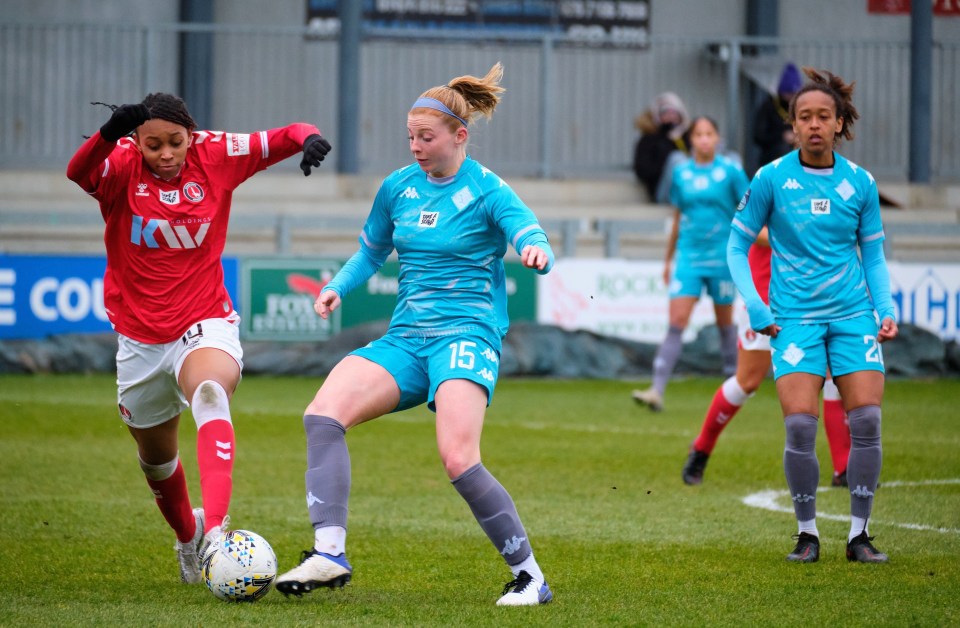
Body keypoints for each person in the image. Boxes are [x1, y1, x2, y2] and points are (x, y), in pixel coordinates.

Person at [273, 63, 555, 606]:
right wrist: (338, 285)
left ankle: (530, 578)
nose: (416, 147)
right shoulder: (397, 188)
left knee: (457, 457)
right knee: (322, 414)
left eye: (426, 137)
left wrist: (534, 250)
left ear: (459, 135)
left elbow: (528, 229)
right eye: (411, 137)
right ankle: (329, 553)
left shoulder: (488, 190)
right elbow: (373, 250)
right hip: (406, 338)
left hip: (466, 335)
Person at [65, 93, 331, 584]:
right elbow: (78, 173)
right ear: (136, 142)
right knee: (156, 460)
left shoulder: (217, 153)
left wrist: (308, 139)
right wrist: (107, 135)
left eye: (175, 142)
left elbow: (286, 132)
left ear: (192, 134)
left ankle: (218, 536)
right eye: (153, 145)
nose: (166, 154)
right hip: (140, 338)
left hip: (204, 319)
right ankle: (189, 536)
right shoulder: (120, 162)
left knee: (210, 392)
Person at [727, 67, 898, 564]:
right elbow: (737, 246)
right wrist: (757, 305)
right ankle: (807, 534)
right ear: (794, 125)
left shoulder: (860, 184)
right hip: (795, 320)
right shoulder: (772, 178)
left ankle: (859, 535)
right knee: (800, 427)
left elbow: (874, 257)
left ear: (840, 122)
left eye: (825, 115)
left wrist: (884, 309)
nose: (815, 124)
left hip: (852, 317)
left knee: (865, 419)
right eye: (805, 117)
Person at [680, 226, 850, 487]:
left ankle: (844, 469)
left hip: (807, 301)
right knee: (747, 381)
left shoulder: (818, 190)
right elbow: (749, 230)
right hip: (763, 300)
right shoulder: (766, 186)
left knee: (831, 374)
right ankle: (701, 448)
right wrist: (801, 234)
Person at [632, 116, 748, 412]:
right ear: (691, 140)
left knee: (725, 325)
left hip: (722, 258)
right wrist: (668, 260)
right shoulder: (681, 173)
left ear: (717, 138)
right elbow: (678, 217)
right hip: (689, 258)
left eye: (709, 133)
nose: (704, 139)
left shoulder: (731, 172)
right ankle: (656, 390)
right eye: (699, 134)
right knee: (676, 322)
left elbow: (748, 213)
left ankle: (733, 390)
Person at [632, 92, 690, 202]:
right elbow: (642, 172)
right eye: (665, 112)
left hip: (695, 186)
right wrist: (666, 145)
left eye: (674, 112)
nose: (670, 116)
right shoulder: (649, 139)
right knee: (677, 158)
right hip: (663, 191)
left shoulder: (689, 137)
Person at [753, 62, 803, 169]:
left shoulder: (801, 107)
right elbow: (758, 136)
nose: (791, 97)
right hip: (772, 161)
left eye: (794, 94)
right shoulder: (769, 107)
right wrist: (782, 136)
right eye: (788, 93)